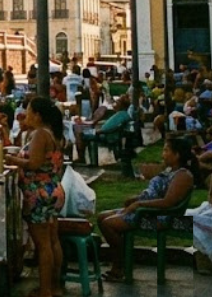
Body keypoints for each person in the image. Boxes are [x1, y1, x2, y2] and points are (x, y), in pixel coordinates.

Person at [97, 134, 199, 282]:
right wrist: (136, 199)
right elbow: (155, 193)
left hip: (158, 218)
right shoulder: (170, 171)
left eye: (166, 150)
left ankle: (120, 265)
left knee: (108, 224)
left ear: (177, 155)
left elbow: (168, 203)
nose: (162, 154)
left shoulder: (183, 176)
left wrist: (139, 204)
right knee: (101, 217)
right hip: (146, 212)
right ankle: (123, 260)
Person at [4, 97, 66, 297]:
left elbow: (34, 164)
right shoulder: (52, 134)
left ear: (38, 116)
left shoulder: (41, 134)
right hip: (52, 190)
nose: (26, 114)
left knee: (43, 244)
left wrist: (11, 159)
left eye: (29, 111)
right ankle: (55, 286)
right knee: (52, 240)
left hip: (39, 193)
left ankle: (45, 291)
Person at [75, 95, 131, 164]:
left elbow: (111, 127)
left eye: (117, 102)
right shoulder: (121, 114)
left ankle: (82, 159)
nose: (114, 104)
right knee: (82, 132)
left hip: (107, 135)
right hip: (107, 133)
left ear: (121, 105)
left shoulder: (121, 115)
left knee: (80, 133)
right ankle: (85, 159)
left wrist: (99, 131)